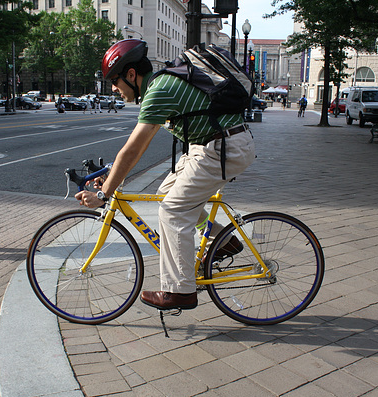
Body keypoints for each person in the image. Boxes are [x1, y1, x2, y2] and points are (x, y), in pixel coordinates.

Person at [76, 39, 255, 310]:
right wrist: (112, 176)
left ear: (131, 75)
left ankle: (180, 291)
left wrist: (104, 193)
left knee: (172, 211)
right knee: (165, 196)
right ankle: (224, 242)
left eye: (115, 81)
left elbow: (134, 148)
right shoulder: (160, 86)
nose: (114, 89)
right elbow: (134, 150)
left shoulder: (159, 90)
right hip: (210, 146)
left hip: (223, 147)